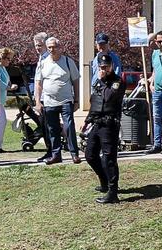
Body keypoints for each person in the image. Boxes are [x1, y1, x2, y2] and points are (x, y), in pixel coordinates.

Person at [83, 53, 124, 203]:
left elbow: (108, 97)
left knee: (109, 159)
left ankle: (113, 193)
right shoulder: (98, 82)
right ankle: (104, 181)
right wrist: (87, 121)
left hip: (109, 124)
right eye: (101, 67)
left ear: (111, 66)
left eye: (106, 67)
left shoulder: (117, 82)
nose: (104, 70)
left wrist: (101, 81)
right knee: (90, 155)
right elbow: (95, 102)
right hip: (97, 123)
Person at [33, 37, 79, 165]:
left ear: (60, 48)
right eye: (50, 48)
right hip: (49, 102)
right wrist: (38, 101)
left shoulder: (68, 62)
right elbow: (38, 83)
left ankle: (74, 154)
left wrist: (76, 100)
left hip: (66, 100)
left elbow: (76, 81)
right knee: (52, 129)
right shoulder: (43, 63)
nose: (52, 50)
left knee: (69, 126)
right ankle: (56, 155)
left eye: (54, 47)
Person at [0, 47, 15, 156]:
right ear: (2, 58)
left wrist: (10, 85)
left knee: (0, 121)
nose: (10, 61)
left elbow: (6, 80)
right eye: (8, 59)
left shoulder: (3, 67)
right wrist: (9, 88)